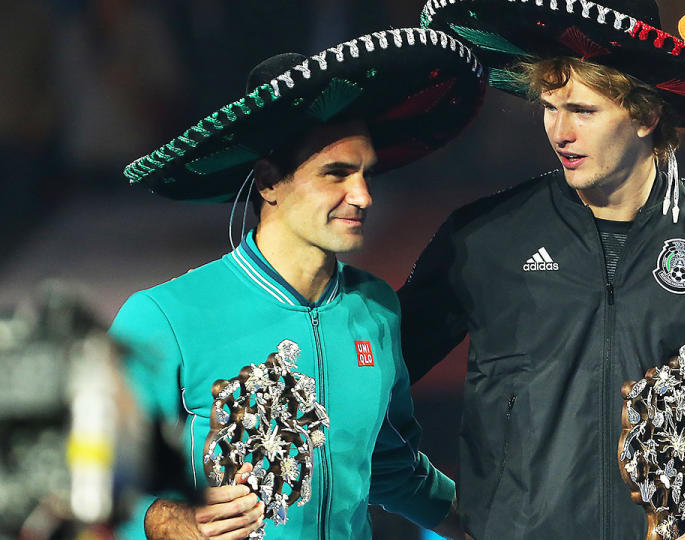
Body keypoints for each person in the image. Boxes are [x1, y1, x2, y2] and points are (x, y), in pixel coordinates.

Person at [400, 1, 685, 539]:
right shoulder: (482, 237)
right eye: (548, 107)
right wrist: (439, 507)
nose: (558, 131)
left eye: (583, 110)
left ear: (647, 115)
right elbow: (372, 386)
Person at [109, 28, 486, 540]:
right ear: (268, 181)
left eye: (365, 174)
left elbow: (391, 466)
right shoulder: (162, 317)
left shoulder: (376, 308)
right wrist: (165, 521)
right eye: (335, 173)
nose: (363, 196)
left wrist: (500, 524)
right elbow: (89, 482)